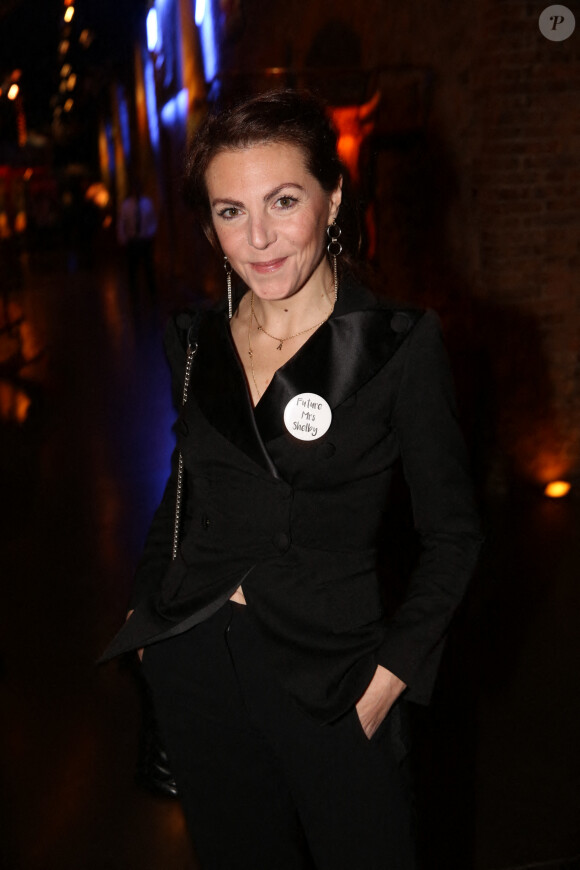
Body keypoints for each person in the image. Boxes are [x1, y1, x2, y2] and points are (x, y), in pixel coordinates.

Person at [102, 89, 482, 869]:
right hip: (198, 658)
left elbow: (454, 535)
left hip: (336, 673)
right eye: (230, 211)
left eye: (283, 200)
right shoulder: (194, 339)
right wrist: (151, 615)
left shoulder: (396, 345)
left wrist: (390, 679)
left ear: (333, 196)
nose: (259, 238)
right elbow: (186, 484)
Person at [117, 181, 158, 304]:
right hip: (133, 241)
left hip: (144, 240)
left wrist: (150, 234)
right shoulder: (126, 205)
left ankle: (152, 293)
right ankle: (133, 293)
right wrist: (123, 239)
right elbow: (121, 223)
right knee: (132, 269)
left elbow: (153, 220)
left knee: (148, 268)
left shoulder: (147, 203)